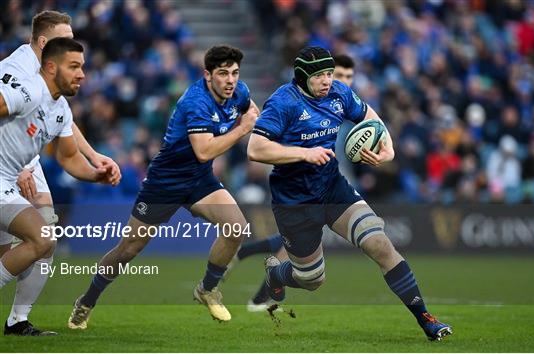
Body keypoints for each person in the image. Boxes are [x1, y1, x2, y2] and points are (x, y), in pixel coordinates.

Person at [247, 46, 452, 341]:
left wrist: (388, 149)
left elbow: (371, 118)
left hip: (332, 187)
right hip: (294, 201)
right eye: (320, 76)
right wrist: (303, 154)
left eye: (330, 73)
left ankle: (426, 319)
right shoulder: (282, 102)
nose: (328, 80)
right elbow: (255, 149)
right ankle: (276, 274)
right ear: (303, 77)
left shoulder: (339, 94)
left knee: (380, 243)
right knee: (311, 279)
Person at [68, 45, 261, 329]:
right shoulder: (195, 102)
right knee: (129, 249)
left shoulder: (239, 91)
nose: (230, 80)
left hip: (199, 179)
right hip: (165, 182)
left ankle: (207, 289)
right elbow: (204, 151)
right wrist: (243, 129)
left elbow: (251, 110)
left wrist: (250, 120)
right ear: (208, 75)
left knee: (235, 228)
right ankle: (86, 301)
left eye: (234, 73)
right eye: (223, 74)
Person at [0, 10, 121, 336]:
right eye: (74, 64)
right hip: (9, 165)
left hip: (16, 162)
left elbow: (67, 150)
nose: (82, 73)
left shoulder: (58, 100)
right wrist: (25, 167)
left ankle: (17, 322)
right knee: (41, 237)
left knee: (37, 242)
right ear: (46, 48)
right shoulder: (22, 78)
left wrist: (95, 166)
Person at [226, 53, 358, 312]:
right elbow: (260, 146)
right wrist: (302, 153)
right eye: (335, 75)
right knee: (299, 247)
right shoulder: (293, 101)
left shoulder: (339, 100)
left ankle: (251, 266)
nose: (337, 81)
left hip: (325, 178)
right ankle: (261, 293)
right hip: (294, 181)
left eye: (346, 77)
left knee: (298, 244)